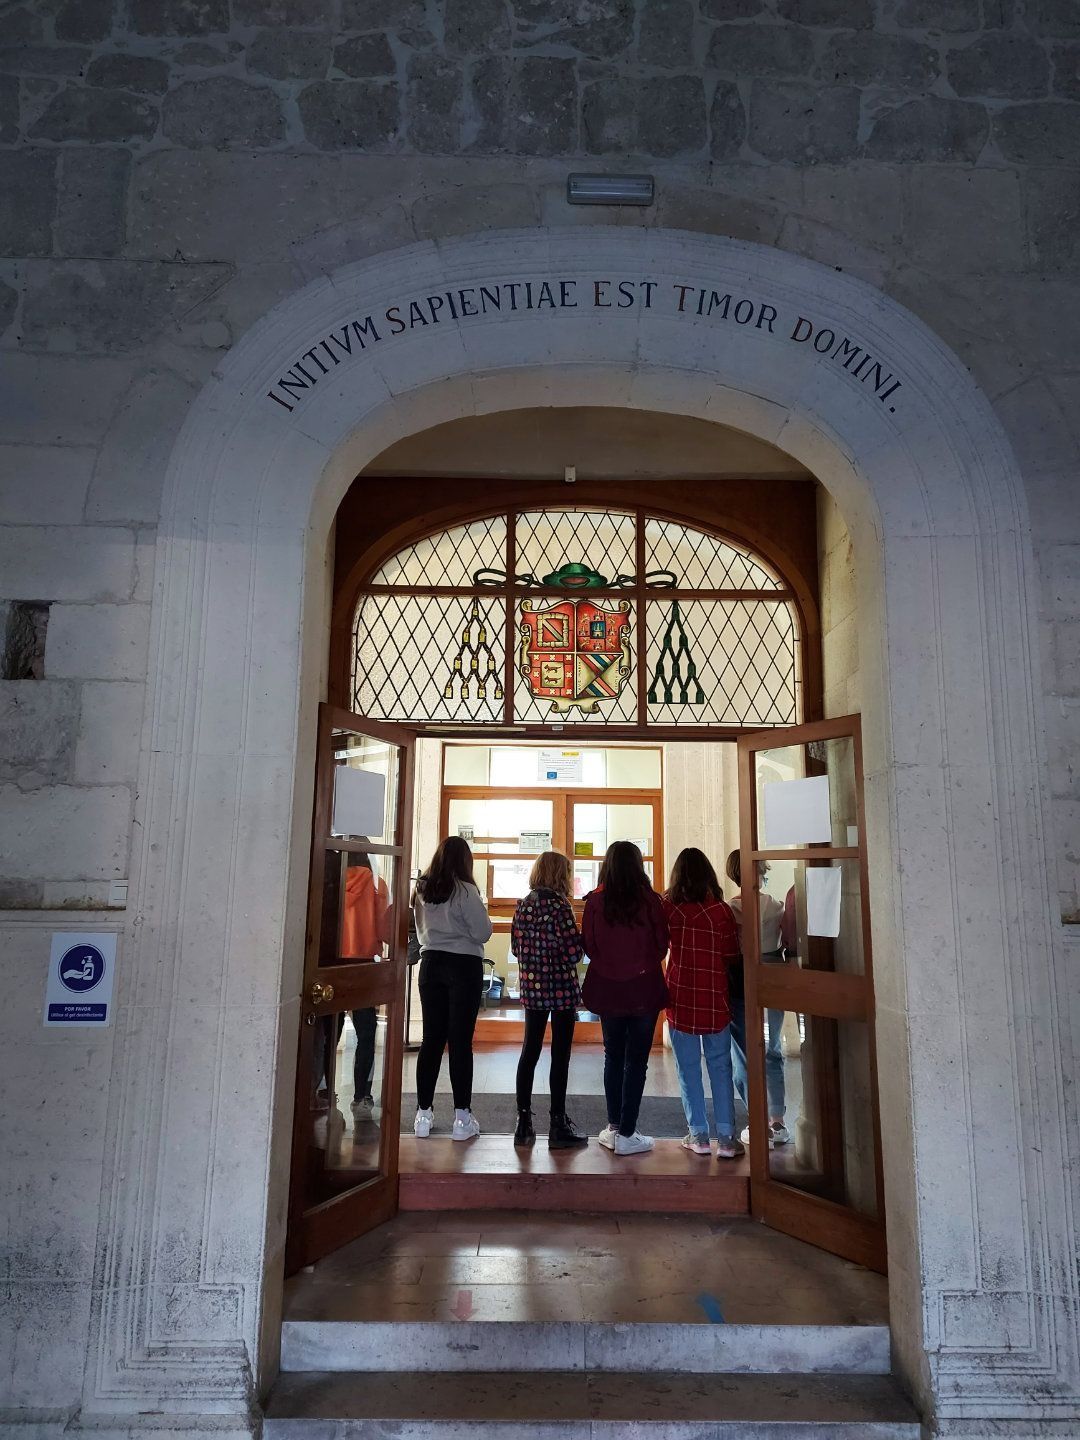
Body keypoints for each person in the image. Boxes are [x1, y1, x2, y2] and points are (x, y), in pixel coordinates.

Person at [581, 841, 669, 1157]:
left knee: (613, 1056)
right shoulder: (651, 901)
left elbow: (589, 946)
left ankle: (615, 1126)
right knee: (637, 1061)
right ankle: (628, 1133)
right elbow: (662, 945)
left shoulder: (595, 902)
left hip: (608, 989)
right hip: (644, 988)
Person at [662, 849, 744, 1161]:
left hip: (681, 996)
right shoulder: (721, 911)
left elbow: (658, 944)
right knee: (721, 1067)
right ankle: (726, 1138)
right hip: (714, 997)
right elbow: (731, 954)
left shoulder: (669, 907)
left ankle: (697, 1135)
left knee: (687, 1069)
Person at [411, 836, 492, 1141]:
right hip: (464, 967)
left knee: (431, 1040)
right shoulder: (466, 890)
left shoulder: (422, 889)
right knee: (460, 1042)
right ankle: (462, 1118)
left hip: (431, 964)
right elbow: (482, 933)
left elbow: (418, 929)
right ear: (465, 861)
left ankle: (423, 1114)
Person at [510, 850, 588, 1150]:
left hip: (533, 989)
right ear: (560, 875)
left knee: (529, 1052)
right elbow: (573, 953)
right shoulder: (560, 907)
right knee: (560, 1055)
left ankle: (523, 1122)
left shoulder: (523, 905)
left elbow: (516, 948)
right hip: (561, 990)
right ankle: (558, 1123)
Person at [725, 849, 790, 1148]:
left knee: (743, 1053)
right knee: (773, 1048)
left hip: (740, 981)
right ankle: (777, 1120)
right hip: (773, 977)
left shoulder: (730, 910)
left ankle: (758, 1120)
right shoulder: (776, 906)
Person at [341, 850, 391, 1124]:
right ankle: (362, 1095)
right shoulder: (376, 885)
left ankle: (322, 1092)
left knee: (328, 1033)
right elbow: (385, 930)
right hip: (364, 965)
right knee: (366, 1033)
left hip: (333, 963)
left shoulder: (332, 881)